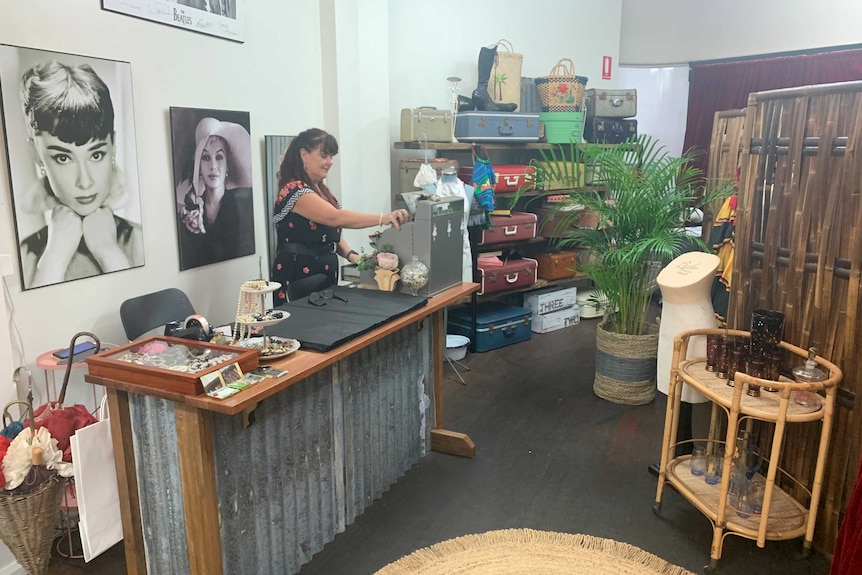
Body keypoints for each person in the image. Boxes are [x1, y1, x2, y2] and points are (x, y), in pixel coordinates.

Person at [18, 60, 143, 289]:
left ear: (113, 146)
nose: (85, 182)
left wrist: (109, 253)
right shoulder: (24, 257)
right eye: (63, 158)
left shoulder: (139, 240)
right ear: (37, 154)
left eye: (96, 155)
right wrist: (53, 259)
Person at [270, 128, 409, 303]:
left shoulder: (319, 189)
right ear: (304, 154)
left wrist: (352, 256)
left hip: (323, 272)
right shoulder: (295, 190)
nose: (330, 162)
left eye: (331, 156)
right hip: (299, 276)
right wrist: (383, 218)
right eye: (324, 156)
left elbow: (328, 232)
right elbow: (334, 218)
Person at [176, 117, 254, 270]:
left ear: (227, 165)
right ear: (199, 165)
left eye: (219, 157)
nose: (213, 166)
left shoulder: (244, 205)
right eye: (205, 157)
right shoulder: (188, 211)